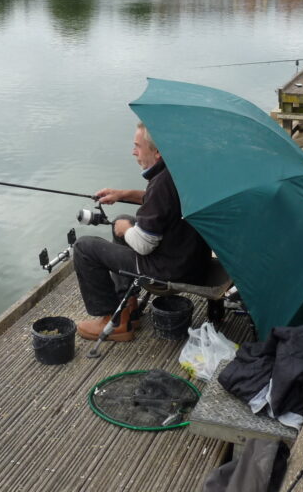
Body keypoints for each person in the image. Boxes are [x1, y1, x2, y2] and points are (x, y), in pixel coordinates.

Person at [72, 122, 211, 342]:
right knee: (122, 219)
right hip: (192, 260)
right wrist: (122, 194)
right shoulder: (181, 171)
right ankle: (128, 309)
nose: (133, 152)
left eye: (137, 146)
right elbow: (162, 204)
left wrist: (125, 230)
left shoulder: (162, 183)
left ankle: (115, 322)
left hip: (167, 270)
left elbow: (144, 245)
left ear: (157, 152)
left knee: (84, 248)